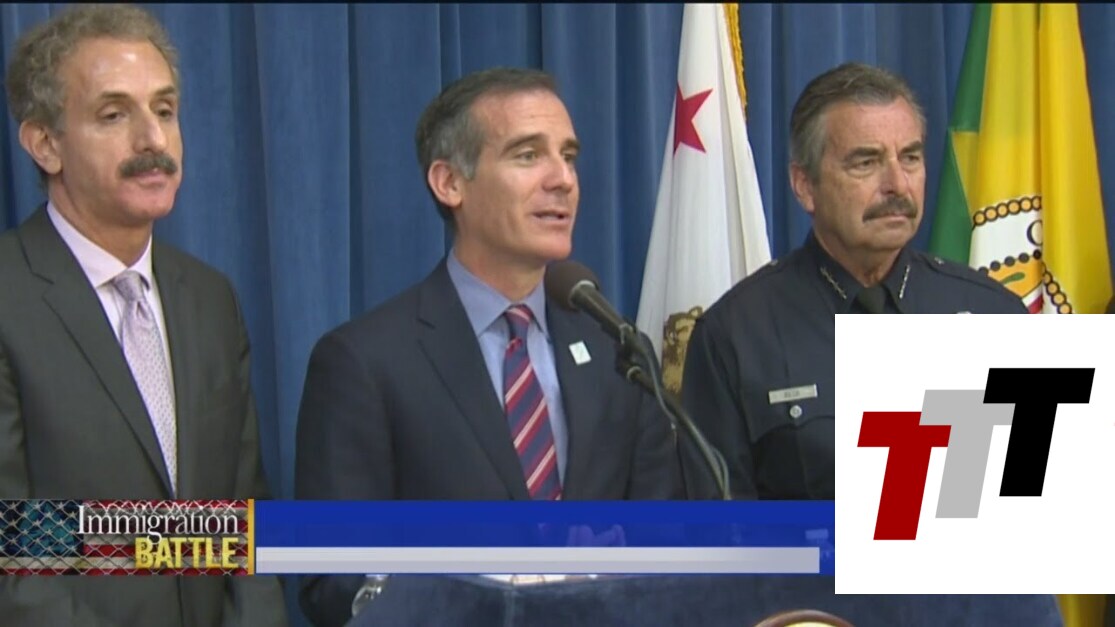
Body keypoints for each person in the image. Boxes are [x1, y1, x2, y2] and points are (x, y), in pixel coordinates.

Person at [295, 67, 683, 626]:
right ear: (449, 183)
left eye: (569, 156)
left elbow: (666, 543)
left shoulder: (616, 350)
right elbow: (333, 578)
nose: (563, 179)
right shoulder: (365, 362)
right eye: (528, 155)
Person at [0, 5, 286, 625]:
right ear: (45, 143)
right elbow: (11, 558)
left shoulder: (210, 298)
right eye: (113, 114)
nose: (153, 140)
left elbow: (243, 518)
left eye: (164, 110)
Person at [681, 62, 1027, 501]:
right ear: (805, 186)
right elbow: (721, 531)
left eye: (911, 158)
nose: (897, 184)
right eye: (866, 162)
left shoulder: (994, 314)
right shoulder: (736, 335)